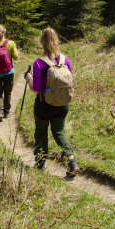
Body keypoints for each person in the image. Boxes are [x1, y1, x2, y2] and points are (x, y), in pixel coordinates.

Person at [24, 27, 80, 176]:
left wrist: (28, 78)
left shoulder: (38, 63)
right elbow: (70, 81)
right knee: (59, 132)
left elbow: (36, 89)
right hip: (62, 105)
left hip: (44, 106)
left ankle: (41, 165)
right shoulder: (65, 60)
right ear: (56, 41)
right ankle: (72, 161)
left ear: (41, 42)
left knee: (41, 133)